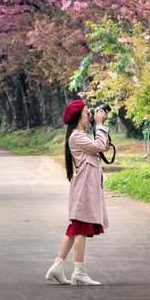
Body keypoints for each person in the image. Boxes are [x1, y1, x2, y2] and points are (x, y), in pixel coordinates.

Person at [45, 99, 112, 286]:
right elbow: (100, 146)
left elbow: (104, 146)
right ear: (78, 117)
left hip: (87, 187)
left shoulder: (83, 136)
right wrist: (99, 125)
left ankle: (57, 267)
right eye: (86, 112)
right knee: (81, 227)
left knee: (75, 228)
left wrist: (101, 127)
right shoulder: (76, 136)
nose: (89, 114)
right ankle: (79, 272)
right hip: (84, 188)